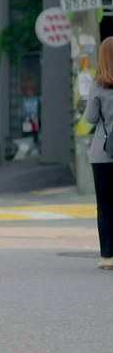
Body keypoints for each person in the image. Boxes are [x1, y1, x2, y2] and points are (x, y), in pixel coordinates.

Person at [83, 36, 113, 270]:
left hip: (103, 153)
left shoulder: (99, 84)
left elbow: (91, 118)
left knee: (105, 206)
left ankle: (108, 257)